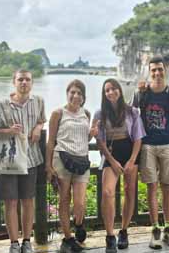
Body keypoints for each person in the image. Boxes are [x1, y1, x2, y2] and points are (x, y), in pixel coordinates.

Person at [0, 69, 46, 253]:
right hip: (9, 161)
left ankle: (27, 241)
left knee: (28, 201)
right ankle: (14, 242)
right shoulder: (3, 105)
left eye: (27, 79)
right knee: (10, 202)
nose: (24, 83)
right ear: (14, 82)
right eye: (20, 79)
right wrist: (8, 131)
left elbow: (42, 119)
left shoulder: (38, 102)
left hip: (31, 158)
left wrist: (38, 127)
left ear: (32, 83)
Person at [131, 56, 169, 249]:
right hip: (147, 146)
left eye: (160, 70)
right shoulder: (141, 93)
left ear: (165, 70)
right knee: (151, 187)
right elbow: (129, 113)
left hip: (167, 144)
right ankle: (155, 230)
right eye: (154, 70)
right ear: (149, 72)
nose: (157, 73)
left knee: (167, 187)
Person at [46, 79, 98, 253]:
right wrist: (48, 166)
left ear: (83, 97)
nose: (75, 96)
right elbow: (51, 141)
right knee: (64, 200)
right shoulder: (58, 113)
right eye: (72, 92)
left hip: (82, 160)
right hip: (62, 159)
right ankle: (67, 238)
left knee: (80, 202)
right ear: (67, 94)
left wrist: (91, 134)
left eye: (79, 93)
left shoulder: (87, 114)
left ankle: (78, 223)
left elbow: (84, 139)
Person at [94, 79, 145, 253]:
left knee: (130, 191)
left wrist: (132, 160)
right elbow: (99, 140)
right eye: (107, 90)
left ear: (119, 91)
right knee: (107, 192)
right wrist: (112, 160)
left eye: (113, 89)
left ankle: (124, 231)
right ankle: (109, 236)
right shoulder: (100, 113)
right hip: (111, 154)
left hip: (130, 152)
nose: (111, 92)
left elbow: (138, 138)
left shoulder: (132, 112)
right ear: (104, 94)